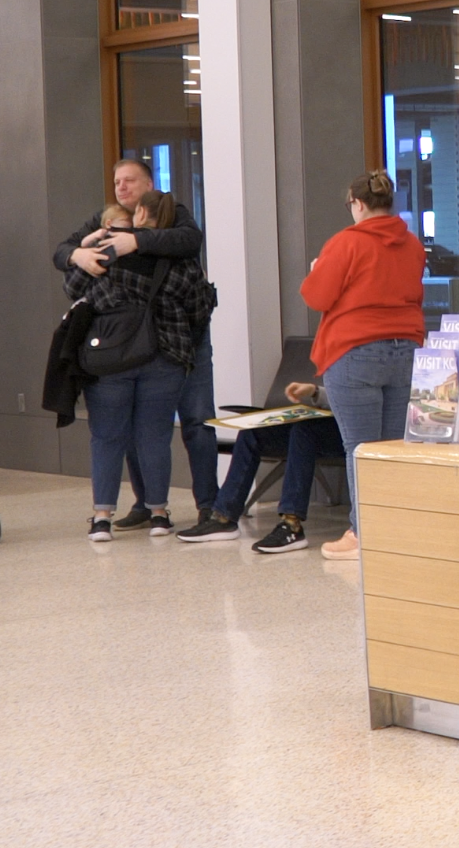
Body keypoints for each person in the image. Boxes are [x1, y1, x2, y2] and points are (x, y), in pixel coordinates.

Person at [56, 161, 214, 530]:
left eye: (129, 181)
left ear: (148, 186)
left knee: (193, 423)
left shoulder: (174, 215)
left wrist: (135, 241)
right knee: (140, 431)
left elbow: (190, 241)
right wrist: (78, 253)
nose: (121, 188)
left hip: (177, 346)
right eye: (116, 182)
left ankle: (207, 506)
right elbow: (62, 252)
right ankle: (150, 506)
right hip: (137, 349)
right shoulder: (106, 223)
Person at [300, 169, 427, 562]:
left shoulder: (345, 243)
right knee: (392, 448)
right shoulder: (412, 244)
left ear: (357, 204)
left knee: (360, 448)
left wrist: (318, 267)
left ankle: (362, 533)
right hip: (405, 349)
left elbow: (317, 296)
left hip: (354, 350)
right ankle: (391, 528)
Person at [174, 380, 345, 554]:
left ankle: (292, 525)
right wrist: (315, 392)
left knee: (304, 429)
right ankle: (224, 517)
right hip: (326, 420)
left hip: (354, 432)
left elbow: (360, 399)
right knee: (252, 432)